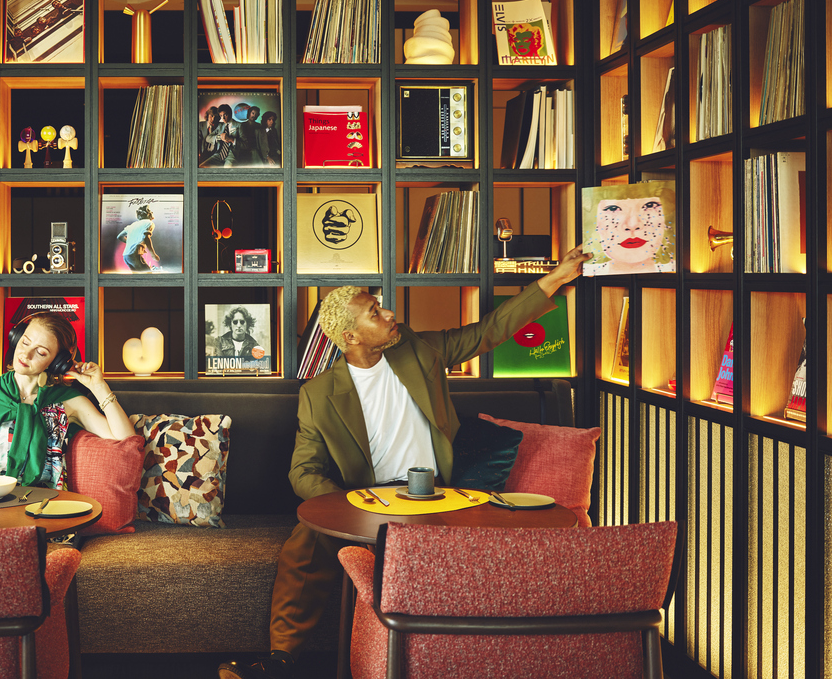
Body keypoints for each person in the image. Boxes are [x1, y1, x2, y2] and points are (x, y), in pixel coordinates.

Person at [218, 247, 591, 679]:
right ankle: (280, 661)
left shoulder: (416, 349)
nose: (389, 313)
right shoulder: (319, 394)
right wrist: (347, 503)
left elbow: (486, 332)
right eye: (375, 313)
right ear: (351, 337)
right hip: (369, 502)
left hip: (441, 495)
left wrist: (556, 278)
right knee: (304, 542)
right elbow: (302, 471)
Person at [0, 313, 135, 490]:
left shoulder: (67, 401)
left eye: (40, 352)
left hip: (50, 504)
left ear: (56, 362)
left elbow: (126, 439)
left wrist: (99, 387)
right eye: (25, 342)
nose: (26, 354)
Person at [582, 181, 676, 275]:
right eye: (613, 209)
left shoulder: (678, 268)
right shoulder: (585, 272)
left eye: (649, 206)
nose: (632, 224)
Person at [117, 204, 161, 272]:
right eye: (150, 211)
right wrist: (153, 254)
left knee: (136, 275)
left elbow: (119, 236)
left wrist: (131, 242)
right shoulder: (149, 223)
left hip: (126, 256)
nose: (152, 212)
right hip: (134, 255)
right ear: (148, 214)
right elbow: (146, 238)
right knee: (147, 274)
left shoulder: (133, 225)